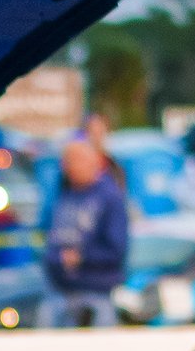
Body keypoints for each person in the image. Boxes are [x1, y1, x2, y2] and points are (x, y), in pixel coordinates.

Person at [42, 138, 129, 327]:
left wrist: (81, 257)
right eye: (67, 161)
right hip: (61, 292)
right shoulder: (63, 196)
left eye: (77, 160)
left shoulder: (109, 198)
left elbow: (116, 250)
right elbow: (49, 243)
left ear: (95, 162)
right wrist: (59, 259)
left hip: (96, 294)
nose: (70, 167)